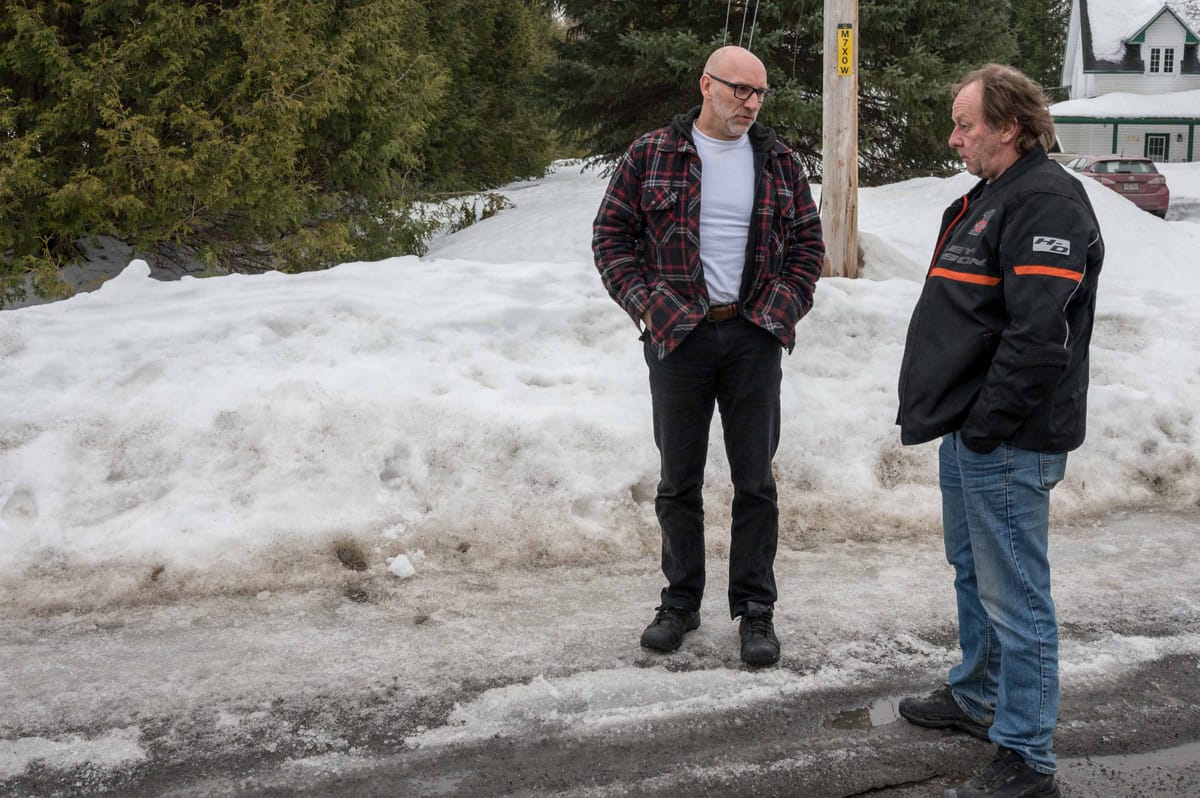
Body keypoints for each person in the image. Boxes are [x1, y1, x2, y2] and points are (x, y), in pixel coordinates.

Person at [896, 64, 1104, 798]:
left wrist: (986, 426)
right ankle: (978, 696)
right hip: (972, 428)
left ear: (1010, 126)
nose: (955, 137)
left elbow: (1038, 334)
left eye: (966, 123)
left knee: (1016, 595)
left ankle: (1028, 757)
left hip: (1008, 437)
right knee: (974, 574)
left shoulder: (1047, 200)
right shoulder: (995, 194)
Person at [592, 46, 824, 667]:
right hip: (678, 337)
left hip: (751, 335)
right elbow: (611, 236)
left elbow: (807, 245)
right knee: (679, 480)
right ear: (706, 85)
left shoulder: (777, 161)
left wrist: (779, 311)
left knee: (755, 481)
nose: (750, 103)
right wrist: (645, 307)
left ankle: (755, 611)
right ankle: (680, 601)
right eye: (739, 90)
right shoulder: (652, 154)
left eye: (759, 93)